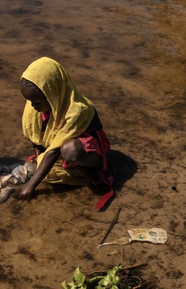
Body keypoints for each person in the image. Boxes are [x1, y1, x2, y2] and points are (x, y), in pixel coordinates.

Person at [15, 57, 113, 209]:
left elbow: (54, 152)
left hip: (87, 149)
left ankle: (92, 171)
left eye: (37, 102)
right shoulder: (36, 104)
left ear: (52, 94)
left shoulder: (78, 110)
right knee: (43, 168)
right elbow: (35, 134)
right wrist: (39, 155)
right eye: (30, 101)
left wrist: (29, 187)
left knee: (69, 150)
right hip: (58, 146)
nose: (32, 106)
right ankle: (62, 166)